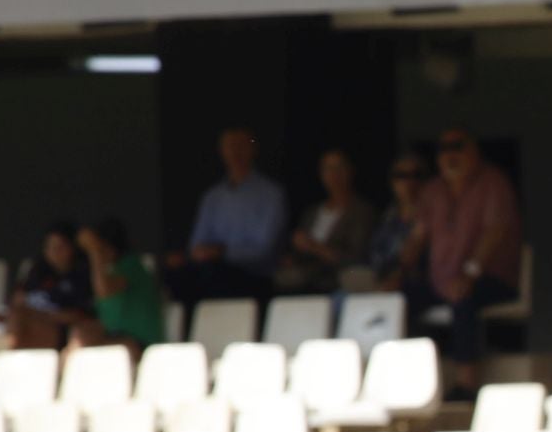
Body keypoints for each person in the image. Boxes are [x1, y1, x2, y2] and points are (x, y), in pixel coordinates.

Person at [420, 128, 523, 399]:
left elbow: (495, 231)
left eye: (458, 146)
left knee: (463, 297)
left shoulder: (492, 182)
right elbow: (417, 235)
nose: (450, 155)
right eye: (444, 149)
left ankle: (466, 384)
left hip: (490, 278)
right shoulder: (433, 190)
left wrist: (469, 273)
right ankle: (413, 379)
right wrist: (396, 271)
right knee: (403, 295)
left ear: (474, 150)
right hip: (440, 281)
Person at [166, 127, 288, 307]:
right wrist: (199, 254)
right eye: (229, 147)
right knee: (175, 272)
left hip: (254, 275)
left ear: (252, 150)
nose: (235, 152)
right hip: (212, 270)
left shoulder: (271, 194)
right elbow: (196, 244)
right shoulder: (212, 197)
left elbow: (264, 250)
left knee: (214, 274)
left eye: (241, 146)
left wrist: (222, 252)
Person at [278, 150, 376, 294]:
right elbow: (299, 253)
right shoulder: (312, 212)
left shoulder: (362, 212)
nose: (334, 174)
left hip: (338, 283)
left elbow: (356, 259)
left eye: (339, 168)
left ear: (350, 171)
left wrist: (315, 247)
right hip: (303, 281)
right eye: (328, 169)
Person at [71, 217, 165, 357]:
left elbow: (104, 290)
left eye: (102, 247)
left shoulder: (131, 265)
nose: (101, 252)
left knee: (85, 354)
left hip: (141, 344)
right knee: (78, 340)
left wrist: (94, 251)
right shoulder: (108, 271)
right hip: (113, 338)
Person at [0, 222, 94, 352]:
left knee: (9, 338)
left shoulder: (82, 276)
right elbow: (17, 301)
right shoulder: (38, 273)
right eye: (50, 247)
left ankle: (1, 353)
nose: (54, 252)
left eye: (60, 246)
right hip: (22, 328)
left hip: (60, 334)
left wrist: (38, 315)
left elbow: (80, 316)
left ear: (73, 247)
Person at [371, 149, 433, 298]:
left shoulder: (434, 214)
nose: (409, 182)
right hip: (381, 283)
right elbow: (375, 256)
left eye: (416, 175)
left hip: (418, 286)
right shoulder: (388, 216)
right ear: (392, 182)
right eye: (401, 176)